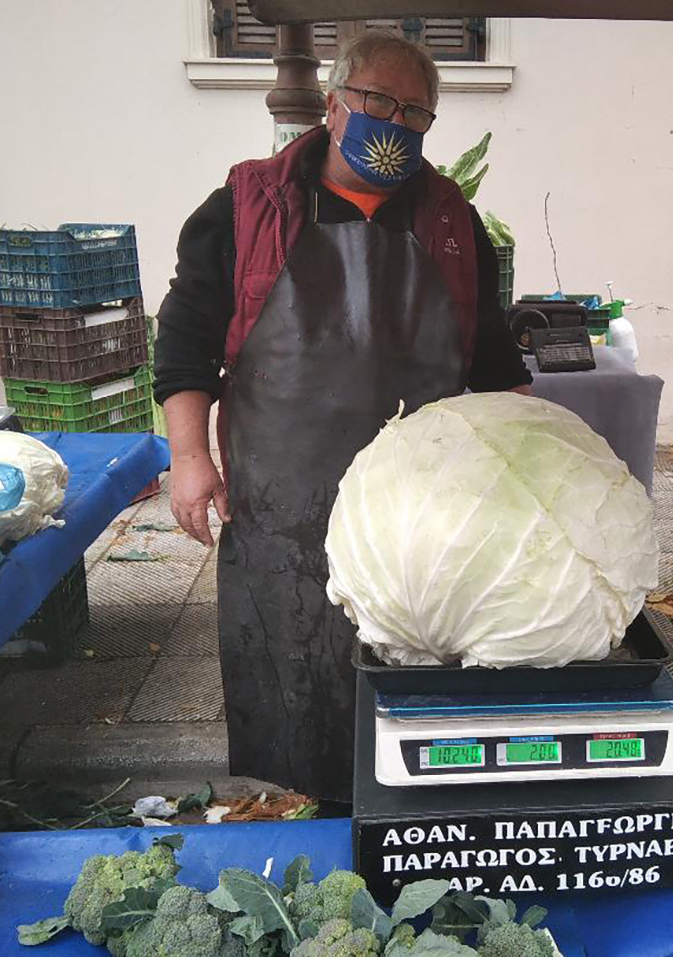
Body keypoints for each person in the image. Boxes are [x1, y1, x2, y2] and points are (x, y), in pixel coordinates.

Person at [153, 31, 532, 805]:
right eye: (377, 102)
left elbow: (493, 363)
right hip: (283, 507)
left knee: (410, 680)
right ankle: (298, 821)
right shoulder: (247, 207)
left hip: (419, 511)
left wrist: (533, 471)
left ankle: (407, 818)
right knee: (289, 685)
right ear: (332, 106)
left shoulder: (452, 223)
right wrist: (189, 458)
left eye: (415, 112)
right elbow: (185, 342)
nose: (395, 122)